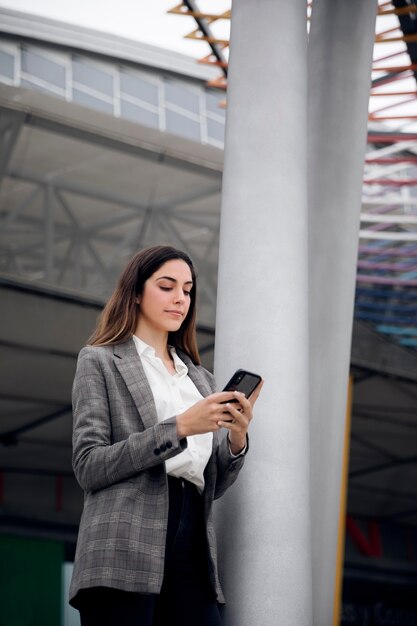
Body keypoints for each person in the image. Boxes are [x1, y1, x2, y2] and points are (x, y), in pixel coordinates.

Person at [69, 245, 263, 626]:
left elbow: (212, 484)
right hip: (123, 542)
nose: (180, 299)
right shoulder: (99, 360)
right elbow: (89, 465)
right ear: (137, 292)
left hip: (193, 541)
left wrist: (237, 440)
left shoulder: (200, 379)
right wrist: (179, 427)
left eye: (188, 290)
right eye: (167, 286)